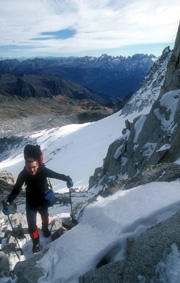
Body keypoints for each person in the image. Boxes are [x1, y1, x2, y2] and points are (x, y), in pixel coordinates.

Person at [3, 144, 73, 253]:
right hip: (31, 202)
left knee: (45, 216)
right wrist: (8, 202)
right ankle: (36, 243)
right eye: (29, 168)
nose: (31, 170)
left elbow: (56, 175)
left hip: (42, 201)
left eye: (34, 167)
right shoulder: (23, 174)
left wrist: (67, 179)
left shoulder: (43, 170)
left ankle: (45, 229)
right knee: (32, 225)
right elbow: (16, 190)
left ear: (38, 165)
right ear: (25, 166)